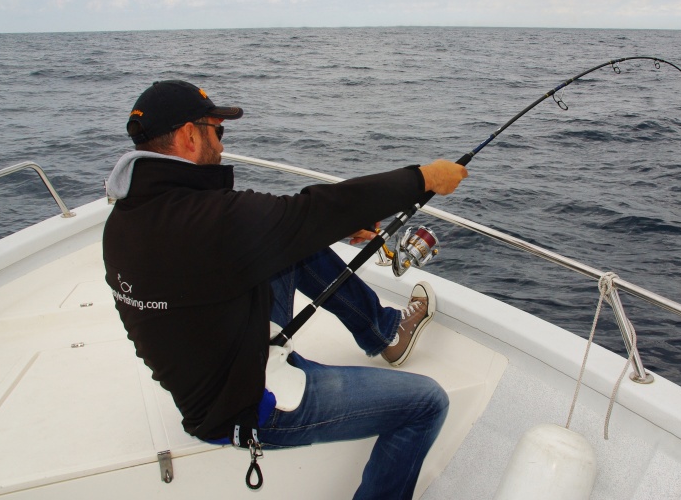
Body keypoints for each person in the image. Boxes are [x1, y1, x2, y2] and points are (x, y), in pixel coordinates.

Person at [102, 80, 468, 499]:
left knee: (291, 243)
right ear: (189, 136)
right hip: (246, 404)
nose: (221, 147)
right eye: (216, 131)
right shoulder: (214, 220)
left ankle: (383, 332)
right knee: (427, 403)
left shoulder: (124, 221)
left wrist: (319, 229)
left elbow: (275, 229)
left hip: (215, 360)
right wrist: (423, 178)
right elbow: (313, 210)